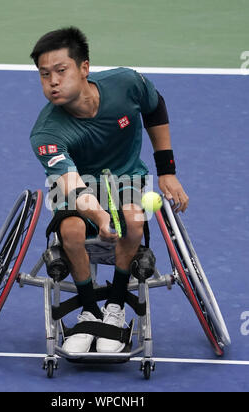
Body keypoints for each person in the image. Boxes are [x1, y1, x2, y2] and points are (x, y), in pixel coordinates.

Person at [29, 27, 189, 353]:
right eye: (45, 75)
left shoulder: (126, 84)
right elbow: (71, 186)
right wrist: (101, 217)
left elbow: (155, 107)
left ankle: (115, 307)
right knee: (72, 230)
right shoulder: (46, 132)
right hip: (79, 187)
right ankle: (89, 309)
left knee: (132, 219)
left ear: (84, 68)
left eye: (61, 71)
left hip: (127, 178)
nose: (53, 82)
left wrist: (167, 171)